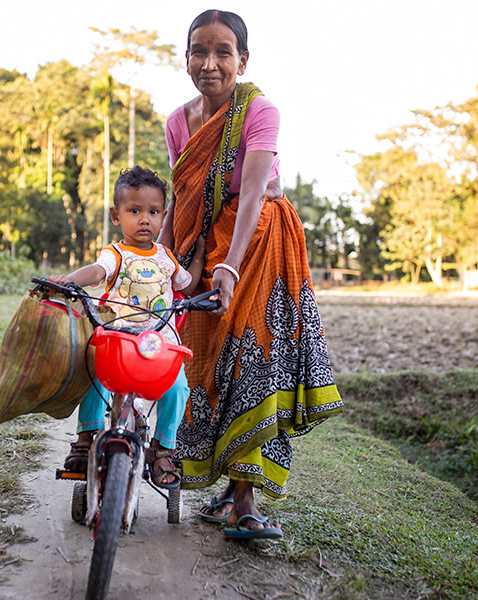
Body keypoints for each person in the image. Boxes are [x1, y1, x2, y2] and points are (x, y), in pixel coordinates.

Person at [157, 9, 343, 539]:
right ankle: (229, 491)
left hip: (260, 245)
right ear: (187, 56)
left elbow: (257, 190)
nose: (209, 63)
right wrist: (164, 261)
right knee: (208, 364)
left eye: (222, 52)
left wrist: (230, 268)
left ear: (243, 60)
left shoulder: (260, 111)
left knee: (251, 359)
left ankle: (244, 499)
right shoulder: (177, 121)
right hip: (205, 247)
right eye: (199, 51)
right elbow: (183, 197)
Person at [48, 165, 205, 488]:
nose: (144, 219)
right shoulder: (115, 254)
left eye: (153, 211)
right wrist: (70, 280)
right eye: (135, 210)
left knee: (177, 386)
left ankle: (164, 449)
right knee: (94, 367)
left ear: (163, 217)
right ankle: (86, 436)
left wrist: (201, 253)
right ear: (116, 216)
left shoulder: (167, 258)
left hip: (159, 345)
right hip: (119, 342)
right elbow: (95, 271)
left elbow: (187, 286)